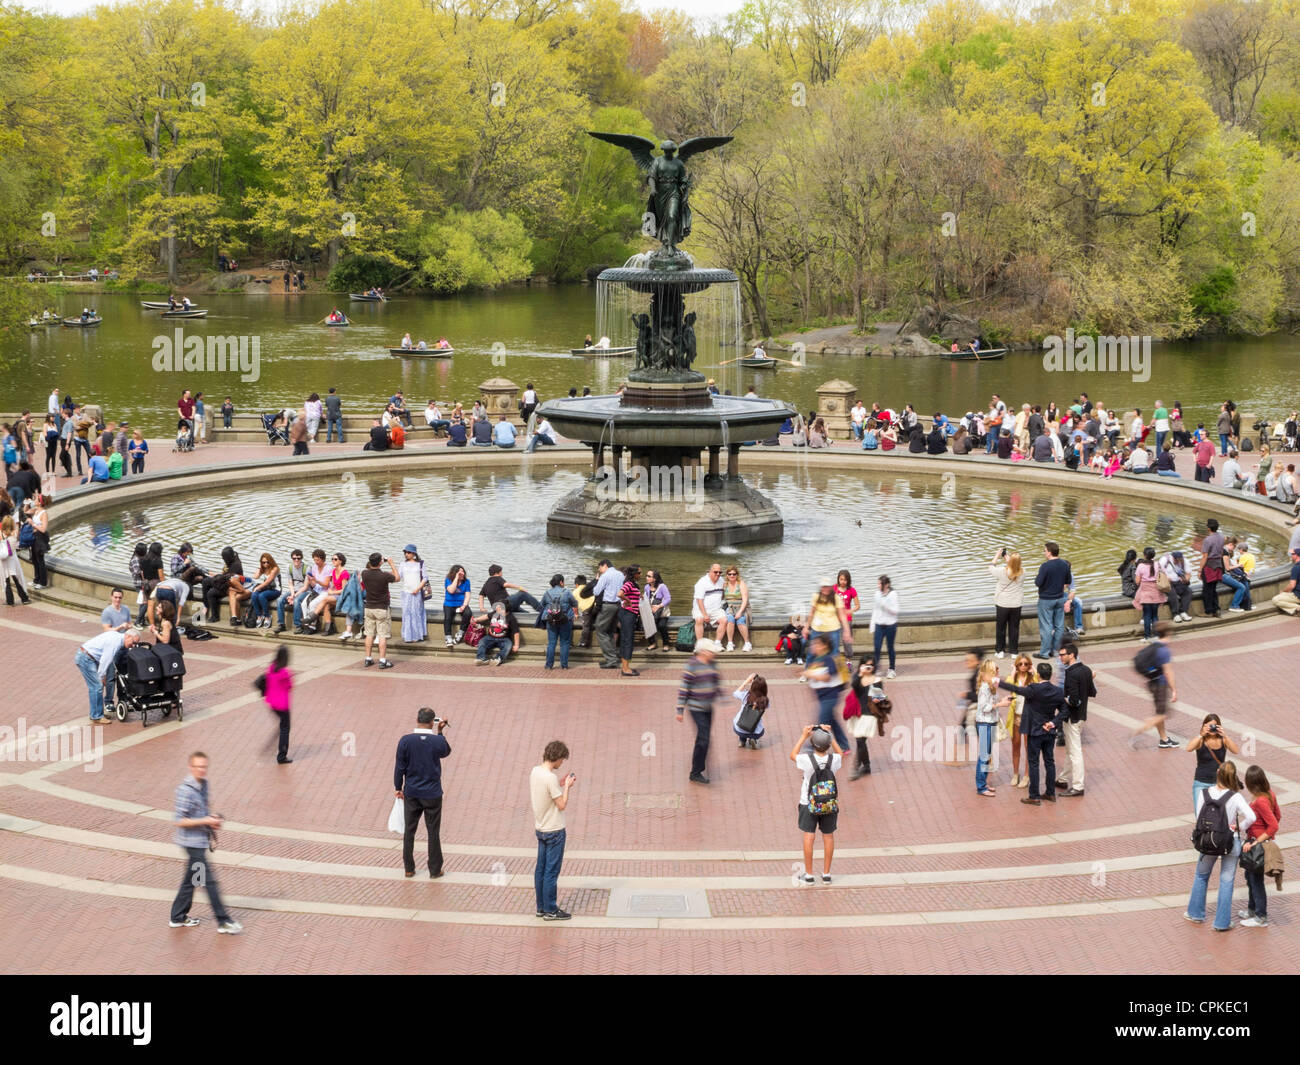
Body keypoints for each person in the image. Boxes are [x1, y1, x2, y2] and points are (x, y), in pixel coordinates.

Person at [169, 752, 242, 933]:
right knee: (208, 881)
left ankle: (177, 916)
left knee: (191, 881)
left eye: (204, 767)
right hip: (191, 844)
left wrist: (212, 818)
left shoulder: (204, 785)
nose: (202, 770)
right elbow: (179, 820)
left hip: (200, 842)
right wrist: (205, 821)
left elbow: (201, 812)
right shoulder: (185, 791)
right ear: (190, 767)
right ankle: (223, 920)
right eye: (198, 767)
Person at [1186, 761, 1254, 931]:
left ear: (1217, 773)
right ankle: (1222, 922)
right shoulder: (1235, 796)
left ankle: (1195, 913)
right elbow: (1252, 817)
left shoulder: (1204, 793)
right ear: (1233, 776)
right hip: (1231, 841)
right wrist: (1240, 827)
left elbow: (1199, 816)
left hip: (1208, 840)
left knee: (1201, 876)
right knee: (1226, 881)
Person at [995, 661, 1066, 804]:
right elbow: (1065, 711)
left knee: (1033, 763)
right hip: (1049, 731)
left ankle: (1034, 796)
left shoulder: (1033, 689)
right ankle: (1050, 793)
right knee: (1049, 762)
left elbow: (1014, 688)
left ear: (1038, 674)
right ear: (1051, 675)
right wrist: (1053, 723)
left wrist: (997, 681)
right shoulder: (1058, 691)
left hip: (1035, 731)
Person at [394, 708, 451, 879]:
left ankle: (409, 868)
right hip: (432, 793)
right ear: (432, 722)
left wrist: (398, 787)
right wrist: (440, 732)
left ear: (417, 719)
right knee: (433, 831)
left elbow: (399, 766)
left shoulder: (405, 741)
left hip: (412, 791)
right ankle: (435, 869)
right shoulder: (436, 741)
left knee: (409, 831)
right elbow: (446, 751)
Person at [531, 740, 576, 920]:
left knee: (540, 869)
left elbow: (547, 789)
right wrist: (566, 787)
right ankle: (551, 909)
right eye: (562, 760)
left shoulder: (535, 772)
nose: (561, 763)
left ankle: (541, 907)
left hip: (541, 827)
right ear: (557, 757)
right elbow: (562, 804)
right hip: (555, 830)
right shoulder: (550, 778)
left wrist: (559, 783)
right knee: (551, 871)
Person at [792, 725, 842, 884]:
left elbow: (793, 755)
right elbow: (840, 753)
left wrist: (803, 736)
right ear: (828, 745)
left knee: (809, 836)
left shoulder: (806, 760)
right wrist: (830, 735)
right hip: (829, 803)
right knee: (828, 836)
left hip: (808, 803)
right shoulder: (834, 760)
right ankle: (826, 874)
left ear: (812, 745)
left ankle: (809, 874)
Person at [676, 638, 721, 784]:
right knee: (704, 738)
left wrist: (722, 698)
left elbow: (716, 682)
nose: (714, 654)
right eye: (711, 652)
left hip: (708, 707)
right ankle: (696, 772)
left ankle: (698, 765)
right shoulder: (692, 665)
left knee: (704, 738)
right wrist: (680, 710)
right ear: (703, 652)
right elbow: (684, 689)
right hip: (696, 708)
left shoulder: (712, 664)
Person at [1239, 765, 1279, 928]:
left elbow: (1274, 824)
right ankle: (1252, 909)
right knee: (1251, 877)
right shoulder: (1269, 794)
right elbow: (1278, 815)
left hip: (1256, 844)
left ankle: (1260, 916)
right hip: (1257, 841)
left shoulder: (1261, 800)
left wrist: (1258, 840)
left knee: (1256, 880)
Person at [1131, 620, 1179, 747]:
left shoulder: (1154, 645)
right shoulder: (1164, 651)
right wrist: (1174, 690)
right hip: (1160, 684)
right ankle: (1141, 729)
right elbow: (1168, 672)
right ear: (1168, 633)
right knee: (1163, 714)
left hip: (1152, 682)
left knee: (1160, 712)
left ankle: (1164, 740)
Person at [1056, 642, 1095, 796]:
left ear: (1071, 655)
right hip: (1082, 715)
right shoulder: (1086, 670)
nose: (1060, 657)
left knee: (1075, 752)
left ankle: (1078, 786)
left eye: (1062, 654)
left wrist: (1062, 698)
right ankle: (1062, 778)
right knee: (1070, 750)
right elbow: (1092, 692)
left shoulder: (1071, 673)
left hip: (1072, 717)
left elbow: (1073, 700)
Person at [803, 633, 849, 750]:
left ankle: (813, 746)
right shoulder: (815, 659)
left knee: (822, 721)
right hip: (822, 697)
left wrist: (809, 674)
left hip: (831, 696)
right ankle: (844, 745)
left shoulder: (829, 659)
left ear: (824, 646)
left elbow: (828, 676)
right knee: (832, 721)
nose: (813, 646)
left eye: (816, 644)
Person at [1186, 713, 1239, 814]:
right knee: (1200, 814)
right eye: (1210, 726)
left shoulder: (1223, 740)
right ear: (1204, 726)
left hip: (1219, 783)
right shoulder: (1201, 740)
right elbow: (1188, 748)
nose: (1212, 729)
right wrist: (1201, 734)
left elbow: (1236, 750)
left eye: (1214, 726)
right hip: (1201, 783)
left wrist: (1225, 736)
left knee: (1219, 814)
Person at [972, 659, 1007, 797]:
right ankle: (980, 786)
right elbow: (984, 707)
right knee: (984, 755)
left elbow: (991, 703)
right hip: (984, 723)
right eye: (995, 671)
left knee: (987, 755)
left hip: (990, 722)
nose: (998, 673)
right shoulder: (984, 688)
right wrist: (1000, 705)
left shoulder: (991, 686)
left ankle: (984, 782)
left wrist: (1001, 701)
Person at [1033, 541, 1072, 659]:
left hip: (1046, 599)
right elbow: (1068, 581)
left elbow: (1038, 583)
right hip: (1060, 598)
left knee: (1046, 627)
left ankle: (1044, 653)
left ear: (1049, 552)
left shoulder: (1045, 566)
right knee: (1059, 626)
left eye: (1045, 550)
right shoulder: (1065, 564)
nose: (1044, 553)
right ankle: (1055, 651)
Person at [360, 553, 399, 669]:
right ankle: (382, 660)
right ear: (380, 563)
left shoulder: (364, 573)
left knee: (369, 634)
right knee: (382, 635)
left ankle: (368, 658)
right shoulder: (384, 576)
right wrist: (391, 564)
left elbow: (371, 570)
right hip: (381, 608)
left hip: (369, 608)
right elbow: (397, 578)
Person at [261, 645, 293, 764]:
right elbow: (289, 687)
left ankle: (278, 745)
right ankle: (282, 756)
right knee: (285, 728)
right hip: (282, 705)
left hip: (272, 702)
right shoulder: (284, 672)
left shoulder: (271, 667)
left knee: (282, 725)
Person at [989, 548, 1023, 658]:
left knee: (1001, 628)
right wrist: (1009, 560)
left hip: (1003, 604)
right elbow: (1015, 568)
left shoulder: (1002, 571)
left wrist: (997, 555)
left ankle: (1000, 651)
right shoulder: (1023, 572)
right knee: (1014, 628)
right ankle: (1014, 651)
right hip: (1016, 604)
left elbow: (991, 567)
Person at [804, 577, 849, 658]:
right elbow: (811, 613)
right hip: (817, 629)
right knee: (812, 653)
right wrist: (806, 627)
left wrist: (846, 631)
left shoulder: (836, 598)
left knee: (834, 653)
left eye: (827, 586)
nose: (825, 589)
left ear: (831, 587)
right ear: (821, 587)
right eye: (823, 586)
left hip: (833, 630)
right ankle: (809, 669)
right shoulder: (816, 596)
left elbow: (842, 615)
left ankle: (834, 670)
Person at [540, 574, 578, 669]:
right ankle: (564, 665)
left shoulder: (547, 593)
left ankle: (549, 665)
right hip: (565, 620)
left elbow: (541, 605)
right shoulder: (567, 592)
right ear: (561, 582)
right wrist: (575, 613)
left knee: (551, 643)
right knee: (565, 643)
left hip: (551, 620)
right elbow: (575, 603)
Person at [870, 575, 899, 678]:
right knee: (877, 647)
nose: (878, 586)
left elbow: (895, 611)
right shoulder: (877, 594)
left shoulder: (893, 594)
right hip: (879, 624)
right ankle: (876, 668)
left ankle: (891, 669)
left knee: (890, 647)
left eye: (880, 584)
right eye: (878, 583)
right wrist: (872, 625)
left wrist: (885, 606)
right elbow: (875, 610)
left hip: (890, 625)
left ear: (886, 585)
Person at [399, 545, 429, 643]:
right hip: (406, 592)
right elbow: (399, 576)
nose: (406, 554)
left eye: (408, 552)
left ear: (414, 553)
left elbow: (425, 578)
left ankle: (417, 636)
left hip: (417, 592)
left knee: (416, 613)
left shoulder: (420, 564)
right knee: (406, 613)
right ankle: (407, 636)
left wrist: (418, 588)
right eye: (405, 553)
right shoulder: (402, 564)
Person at [1133, 546, 1164, 640]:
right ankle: (1156, 635)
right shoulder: (1157, 564)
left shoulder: (1141, 566)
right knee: (1155, 615)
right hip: (1156, 592)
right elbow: (1163, 575)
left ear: (1145, 555)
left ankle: (1147, 636)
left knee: (1147, 615)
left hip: (1145, 593)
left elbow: (1137, 581)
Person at [691, 562, 727, 644]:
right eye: (715, 572)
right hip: (700, 609)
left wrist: (725, 590)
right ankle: (700, 644)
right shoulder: (702, 582)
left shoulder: (721, 580)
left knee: (724, 620)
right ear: (710, 571)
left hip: (716, 609)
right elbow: (699, 600)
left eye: (720, 572)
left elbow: (722, 596)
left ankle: (717, 643)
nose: (718, 574)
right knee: (699, 620)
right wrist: (705, 614)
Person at [474, 601, 519, 666]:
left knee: (508, 646)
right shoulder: (495, 613)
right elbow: (486, 616)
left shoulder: (511, 618)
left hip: (504, 639)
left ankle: (498, 658)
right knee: (482, 642)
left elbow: (516, 632)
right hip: (490, 637)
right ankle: (481, 659)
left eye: (499, 607)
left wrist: (516, 645)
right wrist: (477, 620)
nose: (497, 608)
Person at [732, 672, 768, 749]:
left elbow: (735, 693)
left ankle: (742, 741)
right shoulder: (765, 701)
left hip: (740, 728)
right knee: (759, 727)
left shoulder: (746, 695)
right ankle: (753, 739)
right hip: (755, 732)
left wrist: (746, 681)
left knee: (739, 721)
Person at [617, 564, 641, 676]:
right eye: (639, 573)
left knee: (626, 640)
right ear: (634, 574)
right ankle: (625, 669)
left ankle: (625, 667)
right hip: (628, 614)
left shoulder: (633, 584)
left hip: (629, 614)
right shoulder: (629, 584)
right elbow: (620, 594)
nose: (641, 575)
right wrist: (628, 600)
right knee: (627, 640)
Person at [720, 564, 751, 652]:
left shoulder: (741, 584)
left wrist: (740, 612)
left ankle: (747, 643)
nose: (732, 576)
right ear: (727, 575)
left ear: (737, 575)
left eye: (734, 574)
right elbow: (720, 597)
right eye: (729, 574)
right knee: (730, 618)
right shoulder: (725, 585)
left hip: (742, 607)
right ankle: (730, 643)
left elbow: (745, 600)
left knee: (740, 620)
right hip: (730, 608)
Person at [1, 516, 30, 605]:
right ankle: (24, 598)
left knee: (6, 580)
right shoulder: (14, 534)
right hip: (12, 559)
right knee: (17, 579)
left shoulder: (1, 534)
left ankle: (10, 600)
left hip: (4, 560)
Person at [442, 564, 472, 647]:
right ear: (455, 573)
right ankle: (448, 638)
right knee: (448, 618)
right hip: (449, 603)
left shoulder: (466, 582)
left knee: (468, 613)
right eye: (460, 572)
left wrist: (464, 606)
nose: (462, 574)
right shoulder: (448, 580)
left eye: (463, 572)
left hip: (461, 604)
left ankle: (460, 633)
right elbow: (451, 591)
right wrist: (456, 578)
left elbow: (468, 595)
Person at [1200, 518, 1225, 617]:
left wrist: (1199, 569)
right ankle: (1216, 609)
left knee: (1207, 589)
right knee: (1214, 589)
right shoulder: (1221, 538)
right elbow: (1222, 552)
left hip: (1209, 566)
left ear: (1208, 528)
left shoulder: (1207, 540)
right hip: (1218, 565)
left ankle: (1208, 611)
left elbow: (1205, 556)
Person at [643, 570, 672, 652]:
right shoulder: (646, 587)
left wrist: (659, 606)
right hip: (651, 612)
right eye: (646, 575)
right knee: (648, 625)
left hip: (662, 613)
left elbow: (668, 598)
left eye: (649, 576)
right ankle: (652, 643)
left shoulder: (662, 586)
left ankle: (666, 644)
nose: (646, 577)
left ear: (655, 578)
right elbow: (646, 599)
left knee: (661, 625)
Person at [1160, 549, 1193, 622]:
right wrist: (1166, 578)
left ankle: (1183, 611)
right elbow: (1159, 572)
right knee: (1173, 594)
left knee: (1188, 592)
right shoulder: (1165, 560)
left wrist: (1186, 579)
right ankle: (1175, 614)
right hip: (1167, 582)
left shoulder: (1184, 561)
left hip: (1178, 581)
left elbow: (1188, 573)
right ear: (1173, 558)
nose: (1178, 562)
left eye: (1179, 560)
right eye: (1176, 560)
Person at [1271, 546, 1300, 616]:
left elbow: (1292, 585)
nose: (1291, 556)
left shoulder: (1296, 568)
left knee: (1275, 600)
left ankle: (1297, 608)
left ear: (1297, 555)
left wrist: (1284, 591)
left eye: (1292, 554)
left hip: (1298, 595)